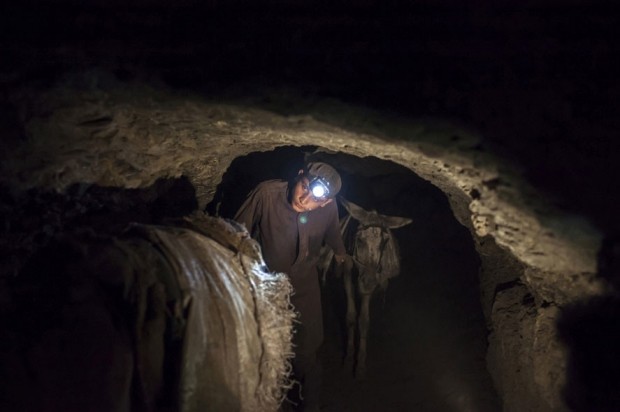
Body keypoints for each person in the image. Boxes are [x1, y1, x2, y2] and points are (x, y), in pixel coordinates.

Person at [234, 161, 348, 412]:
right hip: (265, 284)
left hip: (305, 286)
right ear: (299, 175)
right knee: (260, 348)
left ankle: (311, 405)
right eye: (304, 186)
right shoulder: (266, 195)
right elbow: (235, 233)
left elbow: (333, 233)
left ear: (327, 202)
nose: (305, 199)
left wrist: (341, 254)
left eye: (316, 199)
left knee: (308, 351)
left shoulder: (329, 208)